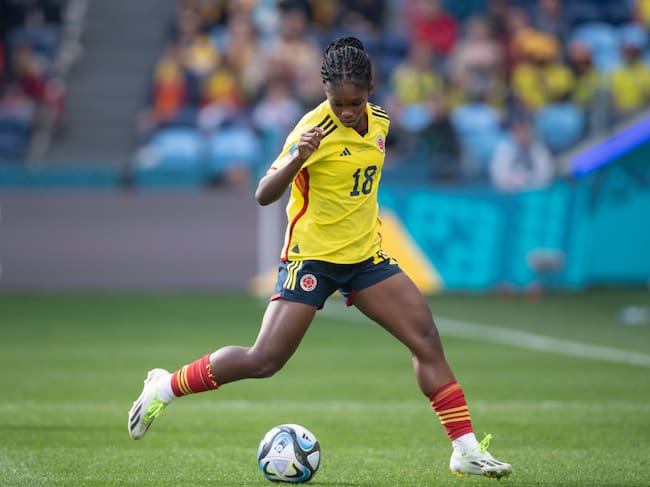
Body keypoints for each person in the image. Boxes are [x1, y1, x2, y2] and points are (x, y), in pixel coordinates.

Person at [127, 37, 512, 479]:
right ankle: (164, 387)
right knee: (264, 360)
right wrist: (297, 159)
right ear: (325, 94)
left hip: (365, 257)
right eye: (337, 102)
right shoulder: (312, 130)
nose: (346, 112)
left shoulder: (382, 122)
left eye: (354, 102)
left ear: (370, 89)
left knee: (425, 337)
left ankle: (463, 448)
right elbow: (263, 193)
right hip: (311, 259)